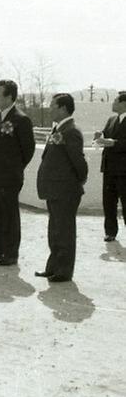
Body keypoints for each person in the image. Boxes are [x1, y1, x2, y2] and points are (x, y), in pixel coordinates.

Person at [0, 80, 36, 266]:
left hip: (9, 176)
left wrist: (14, 168)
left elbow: (28, 150)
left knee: (9, 215)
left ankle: (10, 253)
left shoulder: (21, 119)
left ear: (9, 96)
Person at [35, 93, 88, 282]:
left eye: (53, 105)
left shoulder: (71, 132)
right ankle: (53, 267)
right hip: (55, 190)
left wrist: (75, 184)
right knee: (55, 231)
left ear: (63, 108)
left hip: (65, 191)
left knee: (64, 231)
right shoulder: (59, 129)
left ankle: (64, 271)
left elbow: (79, 164)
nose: (50, 108)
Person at [94, 91, 126, 242]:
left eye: (116, 101)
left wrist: (114, 143)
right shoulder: (111, 119)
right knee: (108, 201)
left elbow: (117, 142)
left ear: (123, 103)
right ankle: (110, 232)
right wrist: (100, 135)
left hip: (124, 169)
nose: (113, 103)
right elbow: (106, 135)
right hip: (109, 167)